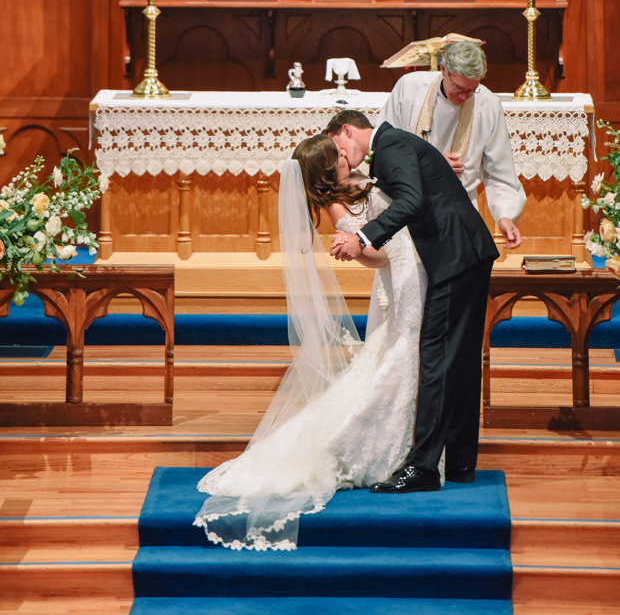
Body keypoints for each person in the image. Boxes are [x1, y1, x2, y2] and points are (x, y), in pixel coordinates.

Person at [193, 133, 428, 550]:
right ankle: (379, 446)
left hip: (412, 268)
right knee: (399, 354)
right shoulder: (338, 204)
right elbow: (374, 253)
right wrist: (373, 250)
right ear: (326, 169)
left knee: (397, 354)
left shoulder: (358, 182)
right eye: (337, 155)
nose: (346, 154)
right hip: (404, 274)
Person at [328, 109, 498, 494]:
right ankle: (458, 461)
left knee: (436, 355)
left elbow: (411, 201)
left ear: (347, 131)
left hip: (456, 256)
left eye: (339, 147)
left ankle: (422, 467)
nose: (341, 155)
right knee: (458, 358)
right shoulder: (395, 143)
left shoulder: (390, 145)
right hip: (463, 254)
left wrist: (363, 238)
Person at [376, 41, 525, 251]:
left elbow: (499, 172)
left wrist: (505, 216)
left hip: (457, 209)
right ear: (443, 70)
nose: (464, 97)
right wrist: (429, 164)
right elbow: (382, 147)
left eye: (471, 90)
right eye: (458, 88)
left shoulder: (488, 104)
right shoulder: (409, 88)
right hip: (406, 206)